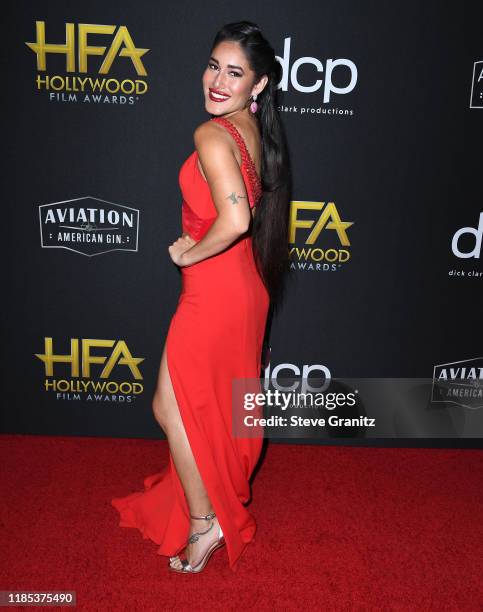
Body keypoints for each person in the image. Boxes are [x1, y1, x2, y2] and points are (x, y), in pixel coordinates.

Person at [111, 20, 291, 574]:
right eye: (214, 65)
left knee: (173, 405)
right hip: (240, 287)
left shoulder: (212, 135)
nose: (217, 80)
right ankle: (206, 508)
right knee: (185, 405)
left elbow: (236, 218)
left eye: (234, 73)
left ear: (258, 85)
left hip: (215, 291)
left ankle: (203, 522)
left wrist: (188, 254)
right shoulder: (249, 129)